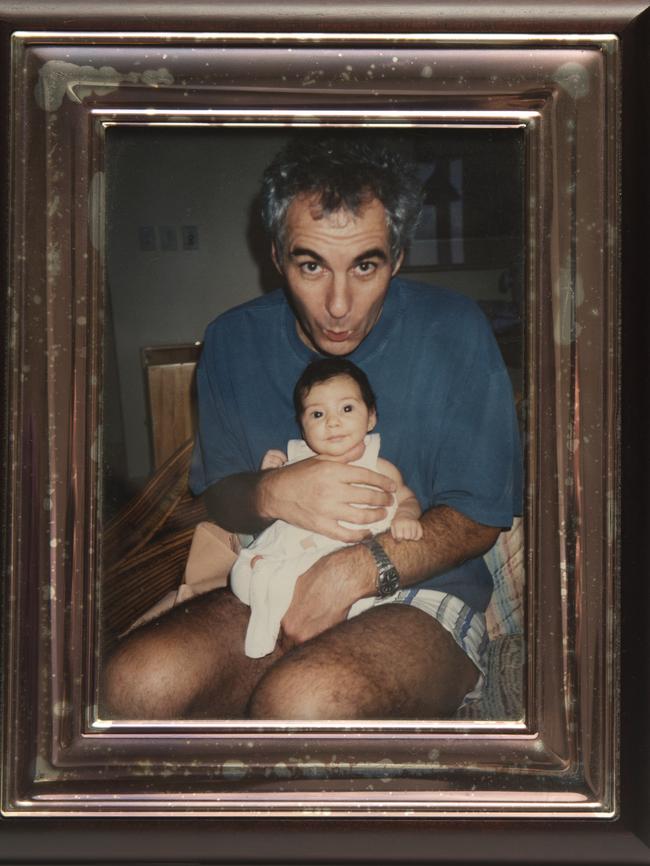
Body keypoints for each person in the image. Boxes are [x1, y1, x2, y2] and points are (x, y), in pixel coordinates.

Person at [101, 135, 522, 721]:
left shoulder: (455, 330)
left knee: (304, 700)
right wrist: (272, 491)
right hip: (277, 572)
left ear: (397, 258)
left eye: (366, 265)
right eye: (311, 265)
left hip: (425, 590)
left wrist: (356, 569)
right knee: (134, 684)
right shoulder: (231, 339)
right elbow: (221, 496)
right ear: (277, 255)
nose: (339, 305)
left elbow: (480, 515)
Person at [231, 357, 423, 659]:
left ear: (371, 417)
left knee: (359, 605)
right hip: (287, 551)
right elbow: (269, 499)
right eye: (317, 414)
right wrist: (269, 474)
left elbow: (407, 497)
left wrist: (407, 515)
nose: (332, 422)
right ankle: (268, 609)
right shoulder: (296, 460)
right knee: (240, 576)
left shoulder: (379, 466)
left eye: (347, 409)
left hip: (336, 563)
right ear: (302, 426)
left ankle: (271, 615)